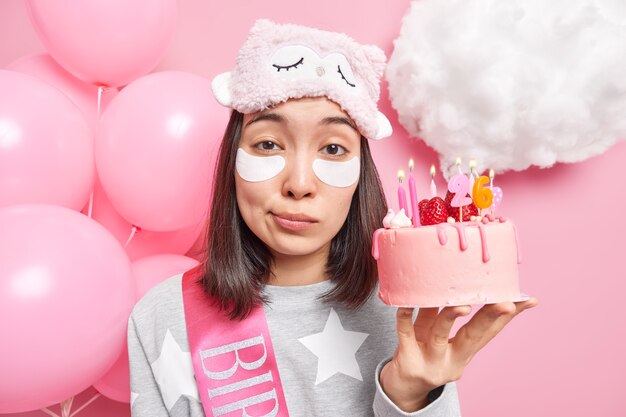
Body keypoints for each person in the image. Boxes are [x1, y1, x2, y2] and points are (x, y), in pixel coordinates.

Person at [127, 19, 537, 417]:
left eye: (334, 150)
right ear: (232, 160)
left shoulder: (405, 311)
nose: (300, 183)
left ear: (362, 173)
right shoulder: (165, 318)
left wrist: (410, 398)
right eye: (268, 143)